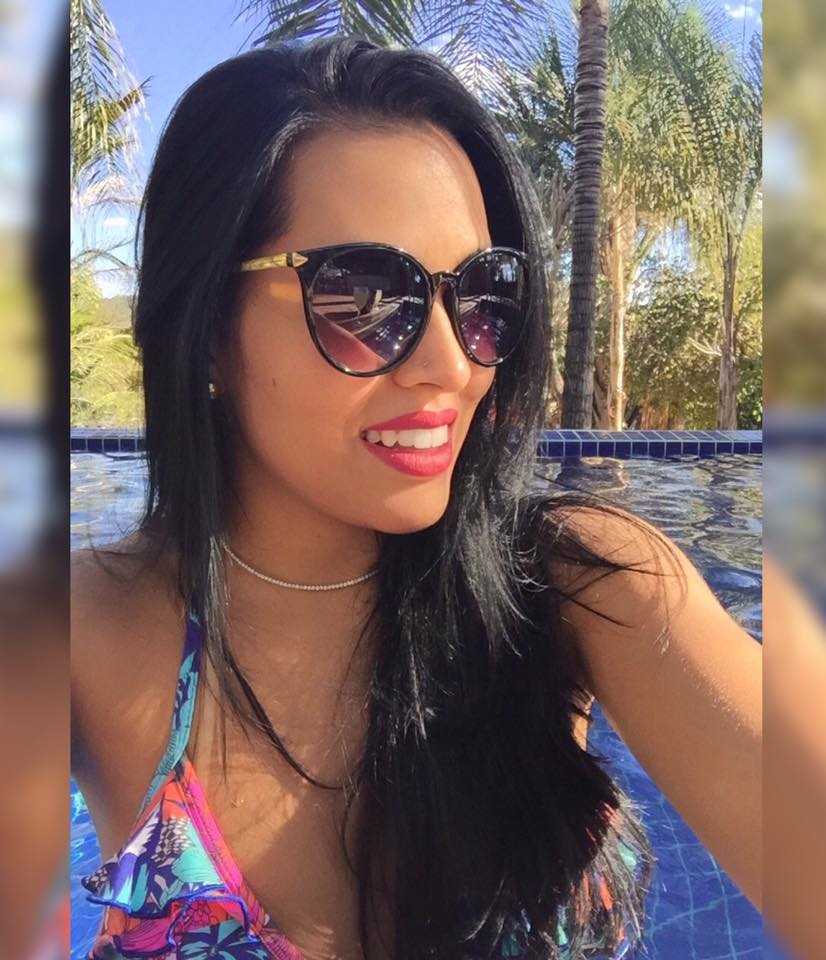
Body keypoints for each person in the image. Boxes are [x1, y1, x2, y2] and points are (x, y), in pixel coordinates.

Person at [71, 36, 761, 960]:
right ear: (204, 330)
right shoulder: (84, 633)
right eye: (364, 296)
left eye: (483, 295)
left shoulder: (575, 592)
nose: (451, 363)